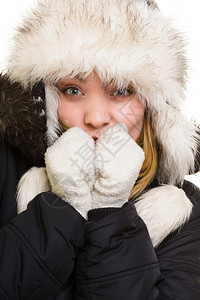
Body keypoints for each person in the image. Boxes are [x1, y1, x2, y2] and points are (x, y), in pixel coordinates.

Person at [0, 0, 200, 298]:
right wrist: (64, 205)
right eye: (72, 90)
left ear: (152, 107)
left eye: (121, 91)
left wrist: (109, 208)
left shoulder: (187, 215)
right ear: (44, 102)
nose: (95, 118)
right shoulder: (6, 168)